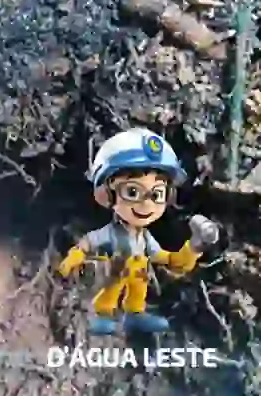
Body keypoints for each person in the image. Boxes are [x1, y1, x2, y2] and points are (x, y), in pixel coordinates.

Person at [58, 128, 219, 335]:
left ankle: (135, 313)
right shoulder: (111, 233)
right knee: (111, 284)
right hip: (113, 271)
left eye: (157, 194)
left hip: (137, 272)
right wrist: (72, 259)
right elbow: (87, 243)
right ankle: (101, 314)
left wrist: (195, 247)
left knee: (138, 281)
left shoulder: (145, 238)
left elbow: (171, 261)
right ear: (106, 194)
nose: (146, 205)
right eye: (132, 191)